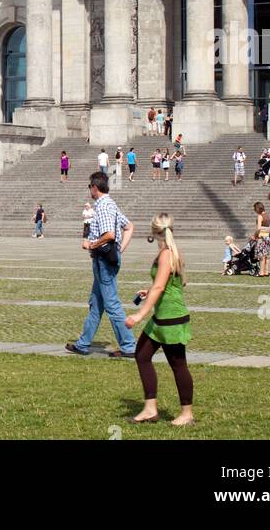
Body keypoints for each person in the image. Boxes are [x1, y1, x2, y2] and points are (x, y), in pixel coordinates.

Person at [125, 214, 194, 427]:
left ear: (155, 232)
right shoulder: (171, 251)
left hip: (170, 319)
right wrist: (150, 291)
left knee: (178, 364)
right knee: (142, 355)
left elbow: (160, 287)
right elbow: (171, 284)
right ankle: (150, 409)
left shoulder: (166, 254)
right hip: (163, 316)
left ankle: (186, 414)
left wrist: (139, 315)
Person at [65, 171, 135, 358]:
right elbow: (129, 227)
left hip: (104, 261)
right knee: (96, 303)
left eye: (90, 187)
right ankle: (83, 344)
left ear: (95, 188)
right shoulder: (111, 204)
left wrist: (91, 244)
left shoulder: (103, 206)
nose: (89, 190)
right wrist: (120, 250)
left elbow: (109, 235)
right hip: (106, 260)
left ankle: (129, 346)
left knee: (111, 304)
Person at [253, 201, 270, 278]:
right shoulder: (267, 215)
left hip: (261, 237)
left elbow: (259, 228)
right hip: (267, 237)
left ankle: (261, 272)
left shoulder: (260, 216)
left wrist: (255, 235)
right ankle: (266, 272)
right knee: (266, 255)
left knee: (261, 256)